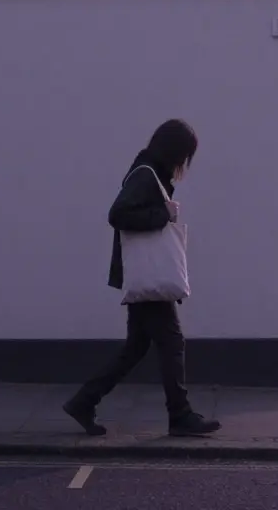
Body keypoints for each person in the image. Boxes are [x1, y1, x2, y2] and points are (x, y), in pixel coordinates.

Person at [63, 119, 222, 437]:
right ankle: (180, 415)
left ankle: (84, 400)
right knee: (172, 341)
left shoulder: (150, 173)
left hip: (144, 275)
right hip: (148, 276)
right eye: (185, 155)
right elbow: (117, 214)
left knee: (136, 348)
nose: (184, 163)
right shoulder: (146, 175)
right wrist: (164, 214)